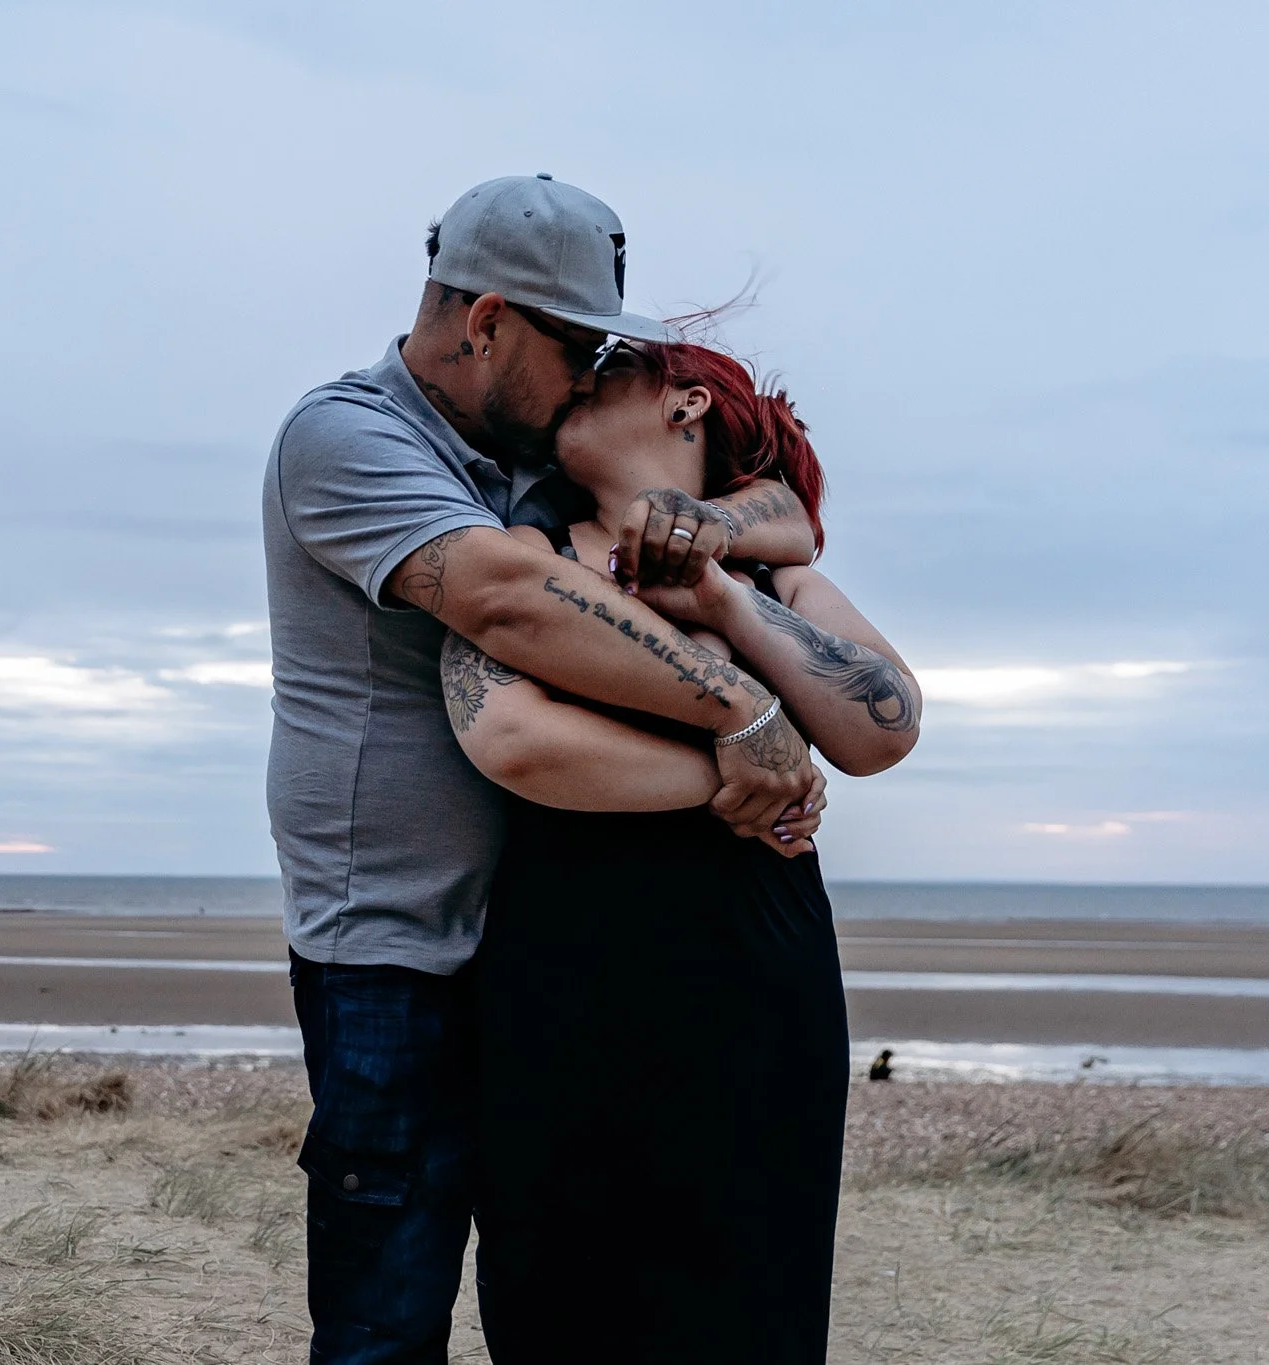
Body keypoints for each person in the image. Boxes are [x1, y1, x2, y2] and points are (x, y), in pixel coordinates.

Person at [263, 174, 824, 1363]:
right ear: (486, 321)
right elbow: (505, 600)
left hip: (538, 948)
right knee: (386, 1320)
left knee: (566, 1296)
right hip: (395, 950)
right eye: (575, 348)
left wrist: (717, 534)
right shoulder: (345, 435)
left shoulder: (528, 457)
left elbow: (776, 499)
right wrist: (741, 726)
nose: (588, 379)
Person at [441, 335, 921, 1362]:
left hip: (760, 981)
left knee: (751, 1306)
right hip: (561, 977)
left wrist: (719, 602)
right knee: (557, 1306)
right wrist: (747, 768)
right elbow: (513, 742)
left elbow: (880, 727)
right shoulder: (520, 555)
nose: (580, 371)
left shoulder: (768, 576)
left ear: (686, 403)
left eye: (613, 366)